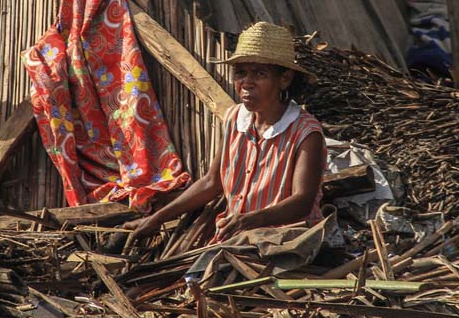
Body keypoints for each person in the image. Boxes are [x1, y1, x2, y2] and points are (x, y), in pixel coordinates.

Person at [123, 22, 326, 247]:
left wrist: (252, 220)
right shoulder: (235, 119)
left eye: (260, 73)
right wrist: (157, 218)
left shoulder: (306, 133)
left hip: (286, 240)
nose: (246, 83)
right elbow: (212, 181)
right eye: (240, 73)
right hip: (238, 237)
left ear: (285, 78)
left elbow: (302, 202)